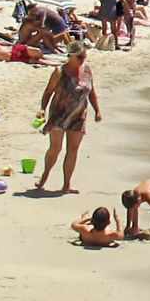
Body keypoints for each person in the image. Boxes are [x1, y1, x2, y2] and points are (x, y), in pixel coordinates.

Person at [36, 46, 101, 194]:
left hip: (79, 115)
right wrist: (43, 109)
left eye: (84, 57)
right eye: (80, 57)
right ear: (71, 56)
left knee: (73, 149)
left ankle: (67, 184)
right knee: (56, 148)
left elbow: (92, 92)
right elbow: (48, 92)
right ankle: (44, 177)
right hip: (58, 114)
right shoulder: (60, 71)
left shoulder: (87, 70)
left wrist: (97, 110)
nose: (83, 60)